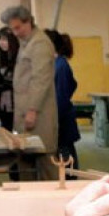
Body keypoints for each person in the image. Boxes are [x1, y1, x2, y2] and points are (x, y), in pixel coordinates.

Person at [0, 5, 58, 180]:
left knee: (46, 164)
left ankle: (53, 205)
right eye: (12, 29)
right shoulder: (26, 43)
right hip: (26, 116)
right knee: (26, 165)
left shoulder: (40, 44)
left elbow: (41, 79)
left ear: (29, 22)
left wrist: (32, 110)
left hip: (37, 115)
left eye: (18, 27)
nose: (15, 33)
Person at [44, 29, 80, 168]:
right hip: (57, 120)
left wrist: (52, 121)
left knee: (66, 159)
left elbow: (61, 99)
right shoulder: (54, 64)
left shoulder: (61, 66)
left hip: (61, 122)